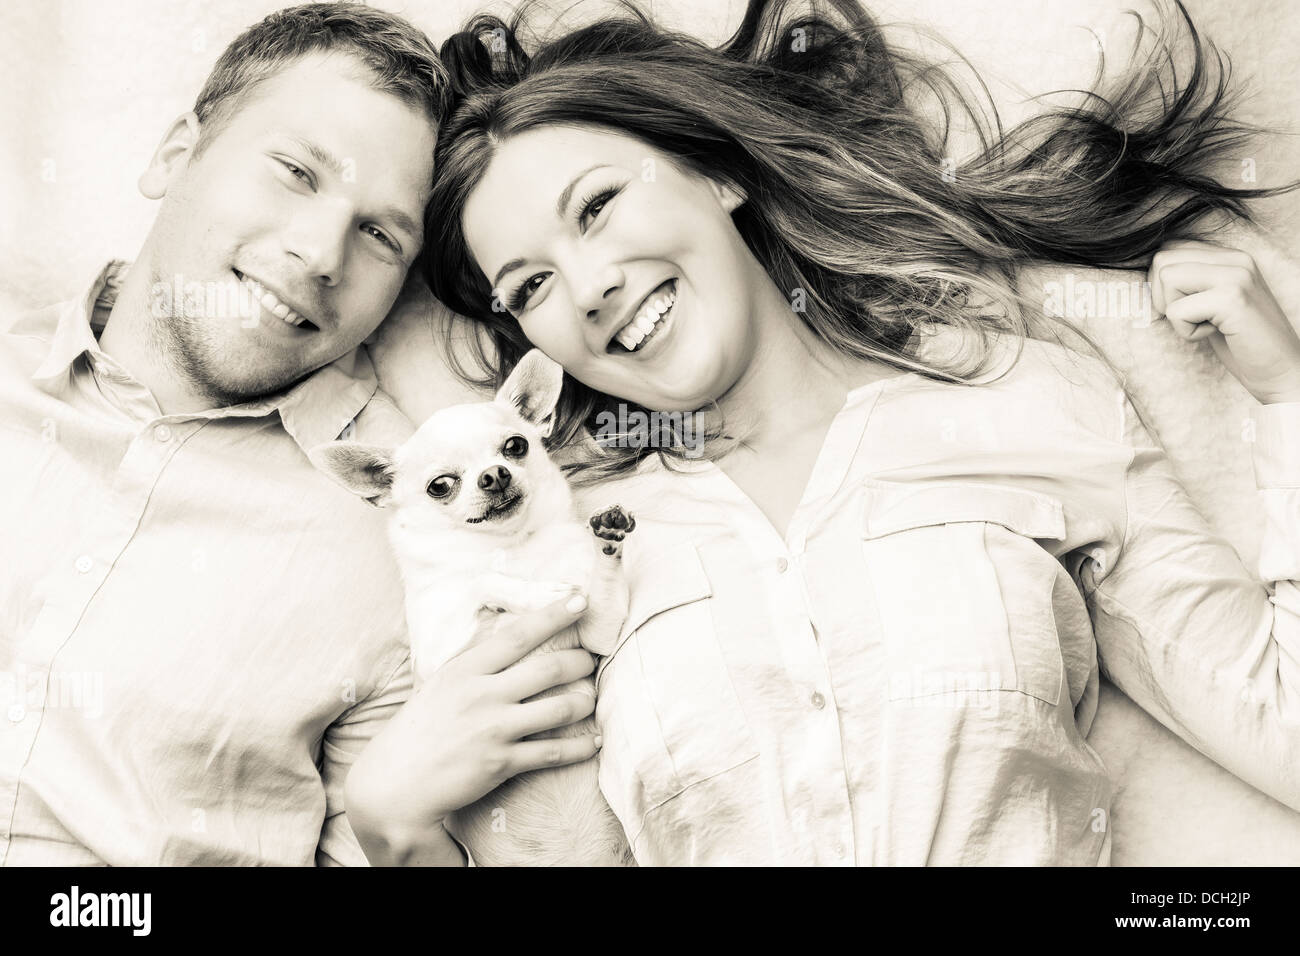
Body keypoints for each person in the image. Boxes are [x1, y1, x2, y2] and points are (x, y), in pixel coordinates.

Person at [346, 0, 1300, 864]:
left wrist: (1288, 395)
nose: (588, 288)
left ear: (717, 174)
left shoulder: (1020, 397)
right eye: (532, 286)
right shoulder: (558, 543)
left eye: (598, 206)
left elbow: (1282, 723)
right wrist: (395, 829)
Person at [0, 1, 596, 867]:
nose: (323, 253)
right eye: (294, 171)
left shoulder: (416, 543)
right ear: (177, 153)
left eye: (381, 234)